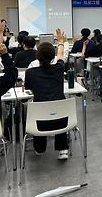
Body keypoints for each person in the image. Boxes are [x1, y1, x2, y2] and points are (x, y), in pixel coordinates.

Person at [24, 29, 70, 160]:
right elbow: (60, 55)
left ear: (37, 56)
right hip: (62, 120)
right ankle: (62, 149)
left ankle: (39, 148)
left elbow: (28, 89)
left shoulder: (30, 72)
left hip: (40, 119)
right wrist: (60, 41)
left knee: (39, 109)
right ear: (53, 57)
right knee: (58, 106)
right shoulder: (59, 68)